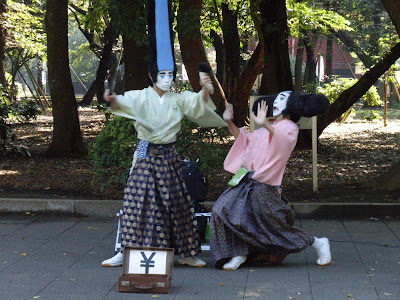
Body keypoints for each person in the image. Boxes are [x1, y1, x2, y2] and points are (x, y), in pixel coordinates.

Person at [101, 70, 226, 268]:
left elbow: (197, 105)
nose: (167, 79)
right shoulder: (140, 96)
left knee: (179, 204)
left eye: (170, 75)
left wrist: (204, 89)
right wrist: (112, 99)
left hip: (168, 155)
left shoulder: (178, 99)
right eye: (162, 75)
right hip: (145, 153)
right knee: (136, 203)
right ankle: (125, 252)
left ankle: (186, 253)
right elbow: (121, 103)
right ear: (151, 75)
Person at [210, 91, 331, 271]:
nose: (276, 102)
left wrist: (265, 124)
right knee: (220, 211)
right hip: (245, 180)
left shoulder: (289, 127)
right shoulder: (267, 128)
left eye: (282, 99)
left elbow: (282, 142)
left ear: (291, 105)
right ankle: (239, 252)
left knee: (272, 226)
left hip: (265, 184)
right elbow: (243, 140)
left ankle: (317, 242)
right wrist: (228, 120)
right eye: (276, 99)